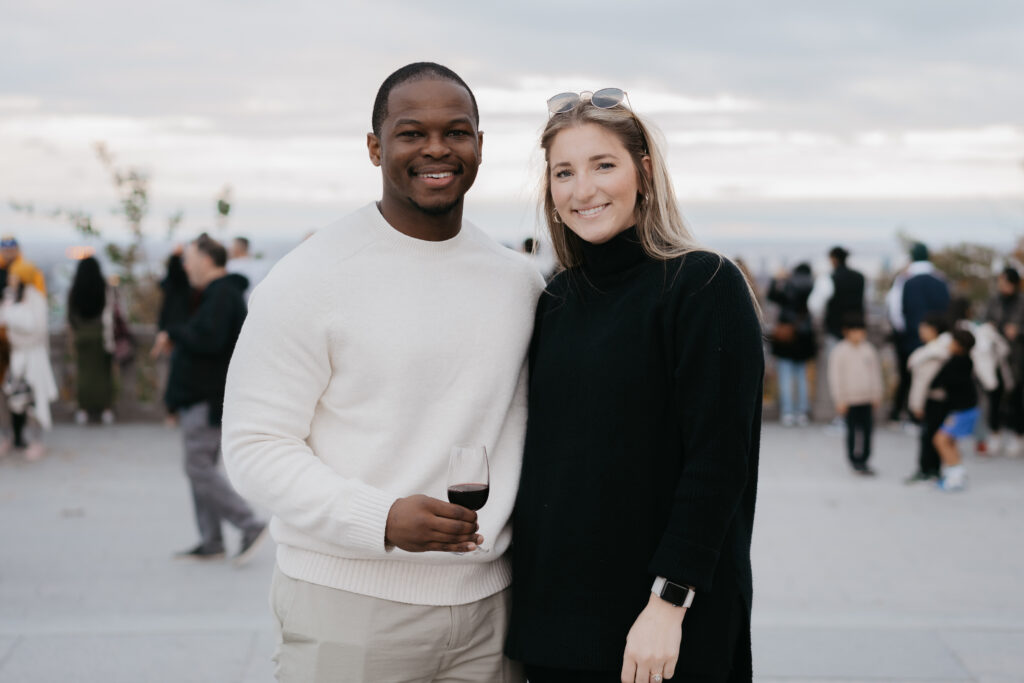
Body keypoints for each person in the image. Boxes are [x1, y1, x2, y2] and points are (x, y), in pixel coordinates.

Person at [221, 63, 543, 683]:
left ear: (480, 146)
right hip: (349, 611)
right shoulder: (309, 277)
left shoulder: (518, 282)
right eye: (410, 132)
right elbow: (253, 446)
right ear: (375, 147)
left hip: (493, 614)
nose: (436, 149)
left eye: (457, 131)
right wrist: (381, 518)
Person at [506, 88, 762, 683]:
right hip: (555, 623)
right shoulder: (557, 300)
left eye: (603, 165)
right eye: (563, 172)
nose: (582, 189)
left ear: (644, 173)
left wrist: (667, 604)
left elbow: (717, 465)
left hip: (662, 624)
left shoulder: (703, 285)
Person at [151, 234, 265, 563]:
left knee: (198, 466)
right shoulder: (215, 293)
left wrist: (174, 334)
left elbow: (209, 340)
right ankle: (211, 540)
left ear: (206, 260)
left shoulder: (223, 294)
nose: (185, 265)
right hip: (203, 396)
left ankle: (248, 523)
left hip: (206, 395)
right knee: (200, 466)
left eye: (189, 258)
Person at [886, 242, 951, 422]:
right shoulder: (941, 279)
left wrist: (905, 331)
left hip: (911, 337)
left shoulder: (904, 280)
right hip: (938, 339)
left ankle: (909, 415)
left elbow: (895, 310)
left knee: (910, 378)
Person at [0, 262, 58, 460]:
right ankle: (8, 437)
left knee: (34, 400)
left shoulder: (36, 298)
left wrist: (13, 319)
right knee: (11, 398)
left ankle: (36, 441)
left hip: (33, 356)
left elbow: (37, 329)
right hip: (17, 356)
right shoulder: (12, 297)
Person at [827, 313, 883, 475]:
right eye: (854, 331)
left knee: (867, 431)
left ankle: (865, 459)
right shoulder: (840, 351)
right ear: (846, 331)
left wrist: (876, 394)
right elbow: (835, 377)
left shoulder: (869, 350)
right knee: (852, 431)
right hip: (850, 399)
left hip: (866, 398)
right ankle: (853, 459)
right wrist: (839, 399)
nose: (858, 334)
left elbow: (875, 374)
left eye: (861, 331)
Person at [67, 256, 115, 425]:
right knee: (103, 373)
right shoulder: (103, 287)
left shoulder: (75, 289)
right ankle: (106, 409)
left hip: (82, 335)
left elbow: (71, 315)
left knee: (83, 374)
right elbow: (110, 311)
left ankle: (83, 409)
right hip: (100, 334)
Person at [905, 313, 953, 482]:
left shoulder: (931, 354)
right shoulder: (942, 350)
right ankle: (933, 469)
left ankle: (927, 469)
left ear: (934, 330)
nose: (921, 331)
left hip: (932, 400)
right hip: (942, 400)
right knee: (933, 436)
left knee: (929, 437)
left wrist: (916, 405)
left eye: (925, 328)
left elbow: (922, 383)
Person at [767, 263, 817, 426]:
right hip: (804, 335)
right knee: (802, 375)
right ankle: (802, 411)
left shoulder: (789, 284)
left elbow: (772, 296)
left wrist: (776, 279)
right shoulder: (813, 285)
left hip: (787, 334)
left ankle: (788, 411)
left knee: (786, 374)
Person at [981, 267, 1024, 455]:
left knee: (1017, 398)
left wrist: (1018, 331)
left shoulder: (1021, 302)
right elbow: (984, 320)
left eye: (1005, 282)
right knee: (993, 395)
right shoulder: (993, 300)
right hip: (995, 355)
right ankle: (995, 435)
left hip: (1017, 357)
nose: (1001, 286)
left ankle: (1017, 436)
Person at [932, 329, 980, 492]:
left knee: (941, 440)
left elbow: (942, 381)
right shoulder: (964, 361)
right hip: (963, 409)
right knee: (950, 442)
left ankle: (956, 476)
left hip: (962, 410)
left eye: (952, 342)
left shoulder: (958, 363)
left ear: (959, 346)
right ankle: (954, 474)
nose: (949, 345)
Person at [226, 236, 267, 302]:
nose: (229, 249)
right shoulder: (259, 265)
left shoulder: (231, 266)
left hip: (240, 304)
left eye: (232, 246)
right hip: (256, 303)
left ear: (238, 247)